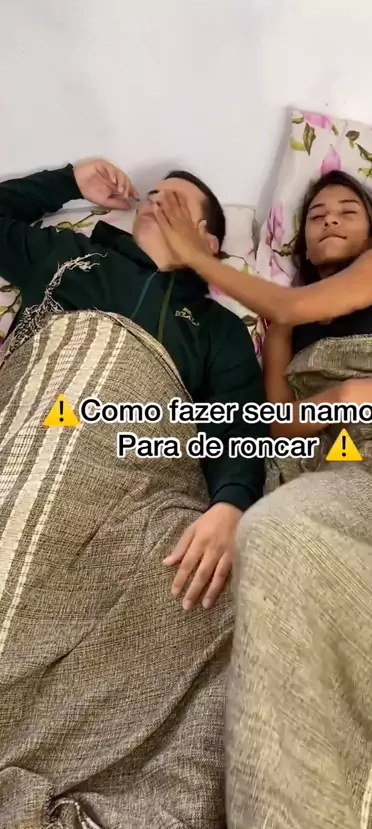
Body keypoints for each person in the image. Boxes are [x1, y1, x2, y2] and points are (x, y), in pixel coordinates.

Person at [0, 158, 268, 611]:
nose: (155, 202)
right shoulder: (67, 256)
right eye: (152, 197)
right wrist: (70, 180)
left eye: (174, 202)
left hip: (132, 490)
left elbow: (238, 426)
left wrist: (230, 506)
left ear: (208, 243)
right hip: (26, 440)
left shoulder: (218, 329)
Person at [152, 170, 372, 436]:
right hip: (336, 457)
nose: (330, 220)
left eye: (348, 212)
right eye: (317, 216)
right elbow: (277, 425)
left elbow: (288, 305)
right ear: (305, 250)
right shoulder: (285, 327)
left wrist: (194, 255)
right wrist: (342, 399)